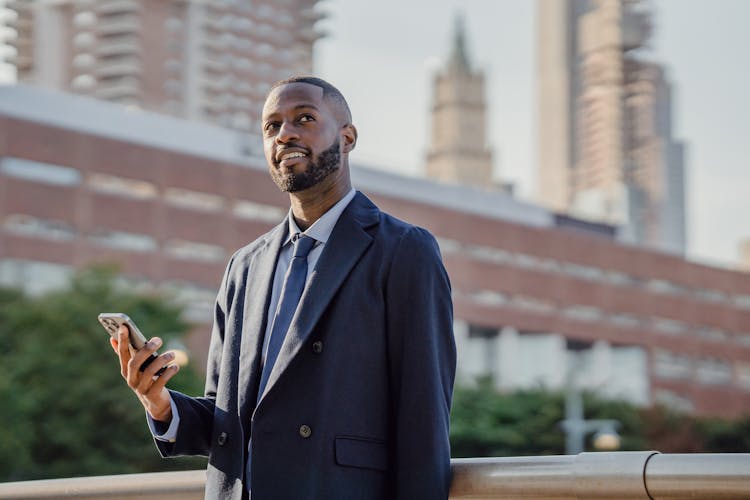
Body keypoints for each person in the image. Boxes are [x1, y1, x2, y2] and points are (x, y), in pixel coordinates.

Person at [111, 76, 456, 499]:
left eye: (304, 118)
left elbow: (423, 421)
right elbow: (227, 420)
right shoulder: (245, 266)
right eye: (271, 126)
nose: (285, 133)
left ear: (347, 138)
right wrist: (160, 403)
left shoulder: (403, 251)